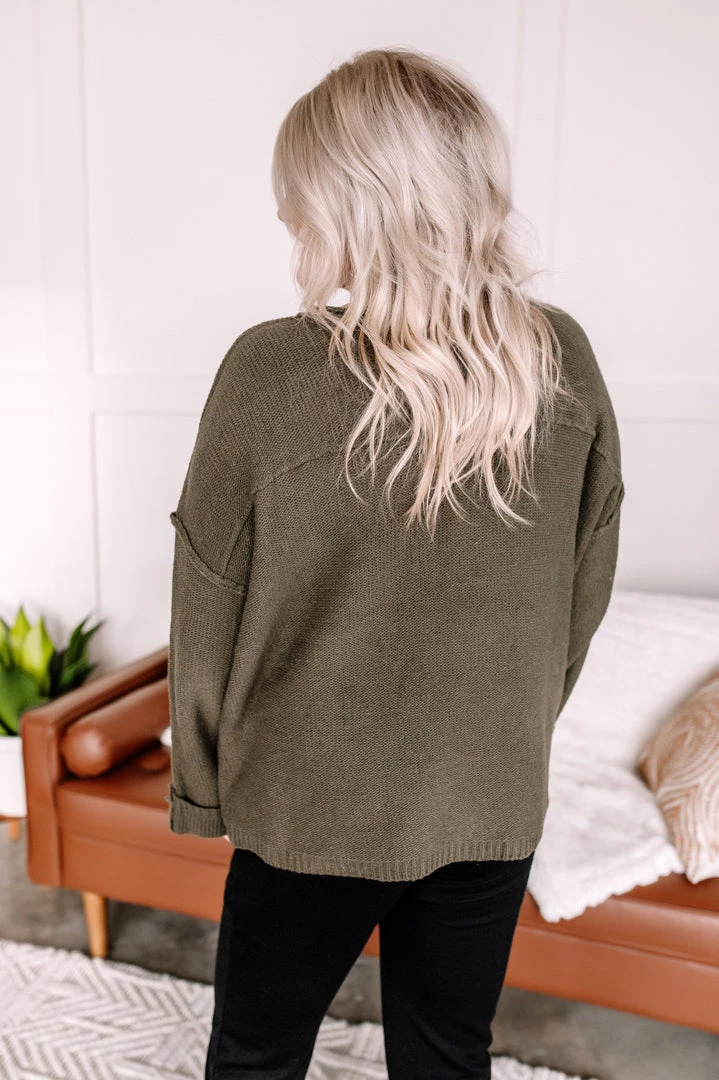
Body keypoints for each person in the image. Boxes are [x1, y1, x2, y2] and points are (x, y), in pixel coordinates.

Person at [166, 47, 624, 1080]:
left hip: (308, 804)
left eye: (296, 193)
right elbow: (581, 592)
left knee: (255, 1056)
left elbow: (207, 600)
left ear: (351, 202)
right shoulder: (560, 358)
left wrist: (204, 786)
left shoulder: (270, 369)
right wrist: (504, 732)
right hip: (490, 793)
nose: (283, 216)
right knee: (448, 1057)